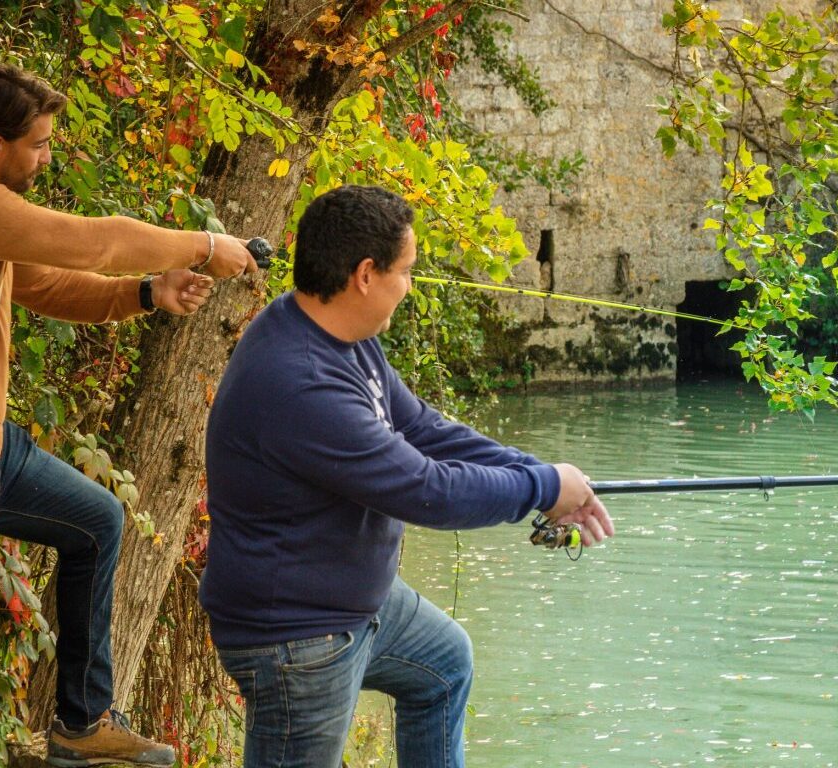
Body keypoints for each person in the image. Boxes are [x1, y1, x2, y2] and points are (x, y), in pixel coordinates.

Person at [0, 64, 259, 768]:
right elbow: (92, 240)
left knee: (97, 523)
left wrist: (143, 292)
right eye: (39, 144)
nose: (47, 158)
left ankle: (79, 722)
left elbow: (46, 282)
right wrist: (201, 245)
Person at [201, 184, 615, 767]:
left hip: (354, 602)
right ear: (366, 274)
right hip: (296, 635)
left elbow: (423, 429)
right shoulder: (300, 381)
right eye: (407, 271)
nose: (411, 286)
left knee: (444, 666)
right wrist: (544, 489)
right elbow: (426, 490)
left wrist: (537, 473)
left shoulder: (340, 337)